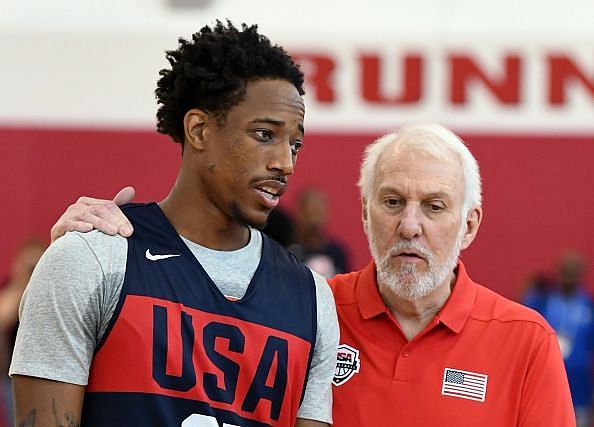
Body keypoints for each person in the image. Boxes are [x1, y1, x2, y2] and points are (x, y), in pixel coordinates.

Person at [52, 123, 576, 426]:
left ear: (468, 226)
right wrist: (92, 242)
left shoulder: (525, 343)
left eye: (434, 206)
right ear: (367, 214)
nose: (409, 226)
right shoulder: (304, 309)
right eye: (392, 202)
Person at [10, 21, 339, 427]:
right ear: (199, 130)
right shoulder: (91, 259)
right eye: (264, 134)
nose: (285, 163)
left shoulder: (312, 299)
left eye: (295, 144)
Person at [524, 251, 594, 427]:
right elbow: (522, 323)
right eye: (565, 271)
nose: (568, 277)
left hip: (578, 386)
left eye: (573, 272)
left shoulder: (588, 306)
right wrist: (529, 288)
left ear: (580, 274)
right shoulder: (542, 301)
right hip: (545, 380)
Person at [0, 238, 47, 427]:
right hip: (14, 378)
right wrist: (22, 282)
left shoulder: (52, 291)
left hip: (47, 374)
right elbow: (2, 318)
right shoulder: (11, 288)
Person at [288, 188, 349, 278]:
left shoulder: (337, 253)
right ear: (300, 213)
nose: (314, 221)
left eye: (318, 212)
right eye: (310, 212)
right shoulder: (288, 253)